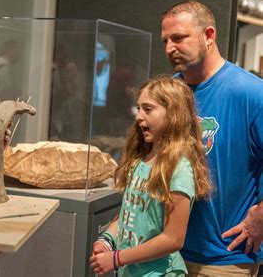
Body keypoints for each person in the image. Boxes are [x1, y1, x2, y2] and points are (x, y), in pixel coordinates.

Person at [161, 0, 263, 276]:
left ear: (208, 36)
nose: (170, 48)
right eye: (166, 40)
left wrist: (261, 216)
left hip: (225, 257)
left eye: (179, 38)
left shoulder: (251, 93)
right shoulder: (170, 93)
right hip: (168, 252)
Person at [90, 76, 212, 276]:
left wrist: (116, 258)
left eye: (147, 109)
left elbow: (173, 239)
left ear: (173, 114)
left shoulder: (179, 169)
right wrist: (107, 239)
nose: (138, 116)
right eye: (138, 108)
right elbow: (130, 215)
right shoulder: (141, 160)